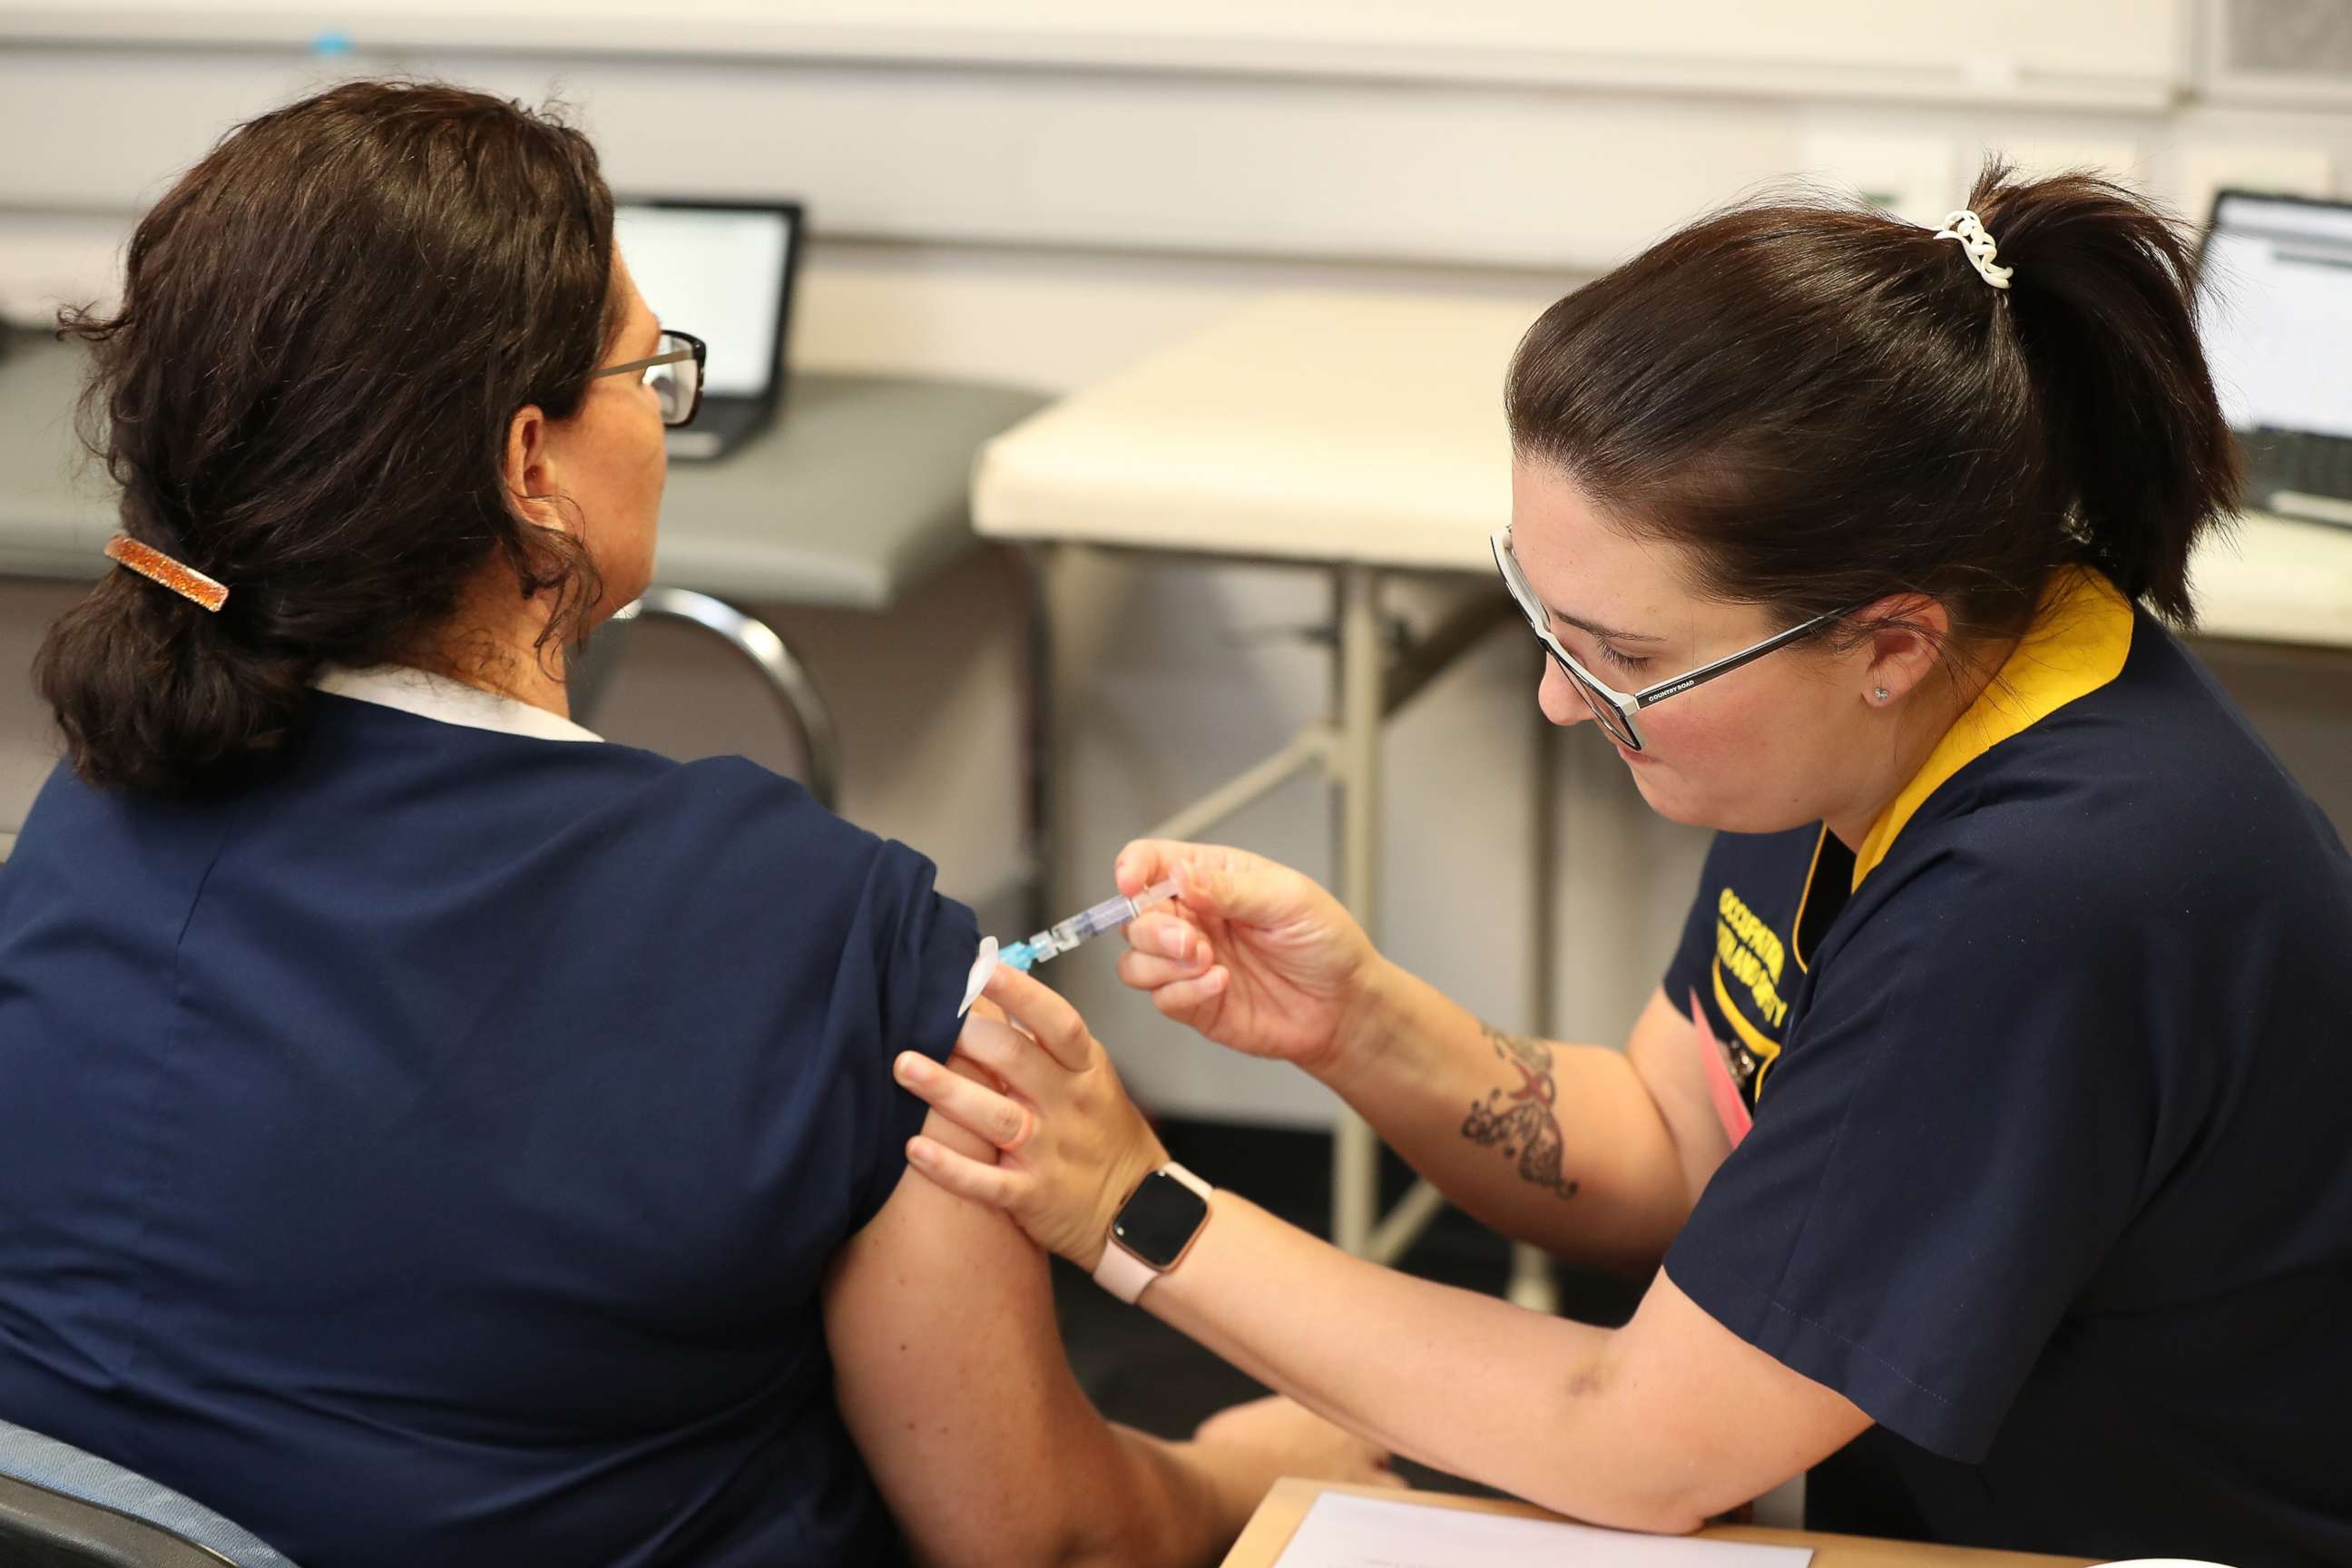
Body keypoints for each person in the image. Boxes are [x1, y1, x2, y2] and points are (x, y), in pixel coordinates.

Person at [0, 80, 1394, 1568]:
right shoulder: (826, 937)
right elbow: (1051, 1543)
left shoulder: (91, 817)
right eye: (646, 377)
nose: (660, 423)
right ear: (530, 467)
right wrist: (1269, 1465)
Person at [890, 165, 2352, 1567]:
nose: (1558, 699)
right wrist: (1360, 1022)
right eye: (1540, 611)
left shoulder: (2048, 896)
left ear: (1887, 644)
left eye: (1624, 660)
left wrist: (1135, 1210)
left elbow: (1641, 1443)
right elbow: (1681, 1141)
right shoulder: (1899, 700)